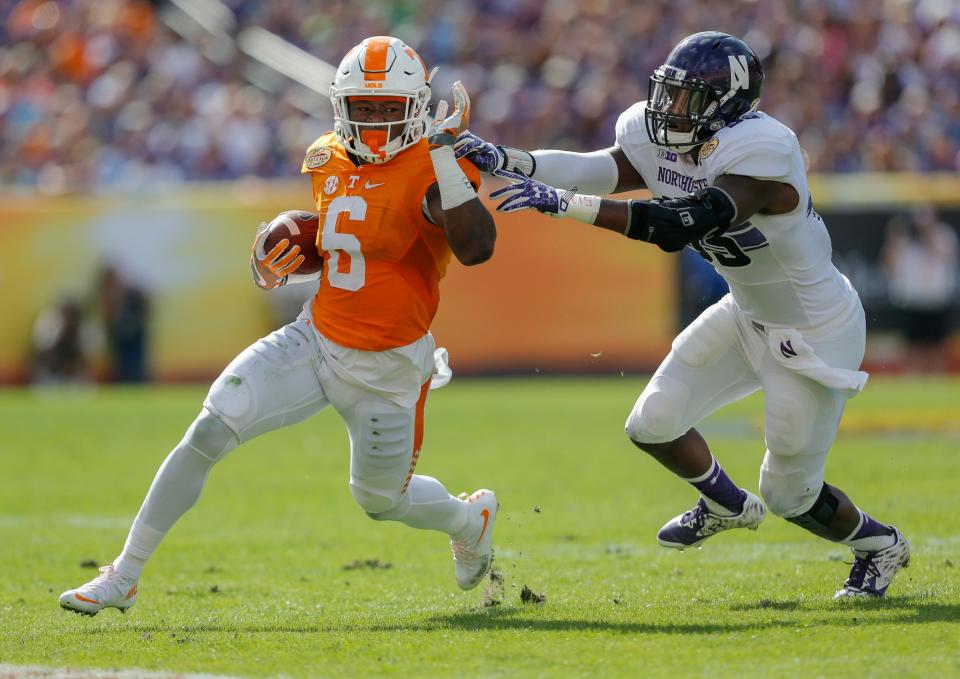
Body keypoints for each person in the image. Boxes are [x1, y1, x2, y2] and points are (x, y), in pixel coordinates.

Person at [457, 31, 909, 599]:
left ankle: (879, 545)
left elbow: (680, 224)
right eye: (668, 93)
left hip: (816, 334)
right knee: (652, 423)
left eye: (688, 98)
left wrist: (564, 205)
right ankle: (723, 503)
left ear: (729, 107)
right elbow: (606, 166)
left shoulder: (762, 152)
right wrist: (513, 160)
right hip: (746, 313)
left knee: (790, 495)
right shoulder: (666, 134)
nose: (669, 110)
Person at [59, 36, 500, 616]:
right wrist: (285, 253)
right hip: (314, 340)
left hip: (390, 369)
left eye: (387, 107)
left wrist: (445, 157)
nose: (372, 121)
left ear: (416, 106)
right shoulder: (325, 155)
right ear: (342, 105)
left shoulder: (435, 162)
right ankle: (124, 573)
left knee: (380, 500)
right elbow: (346, 241)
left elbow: (477, 247)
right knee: (213, 425)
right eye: (362, 108)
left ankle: (469, 520)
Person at [882, 207, 958, 373]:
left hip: (936, 301)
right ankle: (912, 379)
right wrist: (894, 237)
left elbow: (946, 255)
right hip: (911, 301)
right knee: (911, 348)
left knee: (938, 348)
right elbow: (889, 265)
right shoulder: (903, 238)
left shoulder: (943, 235)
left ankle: (938, 381)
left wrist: (927, 233)